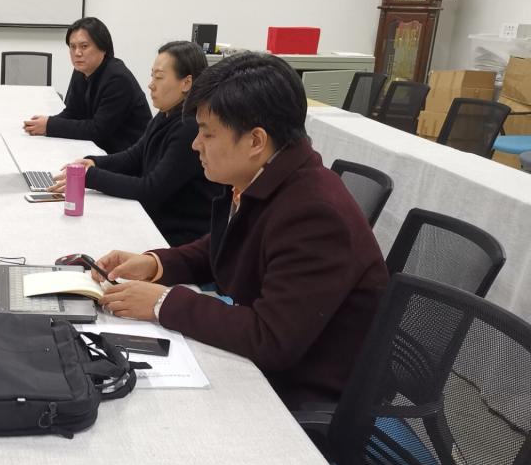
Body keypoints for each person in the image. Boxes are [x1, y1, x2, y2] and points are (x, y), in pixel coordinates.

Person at [93, 52, 389, 409]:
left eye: (208, 133)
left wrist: (162, 302)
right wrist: (155, 264)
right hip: (268, 365)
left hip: (304, 392)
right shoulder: (267, 177)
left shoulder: (315, 214)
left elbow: (271, 337)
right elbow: (224, 246)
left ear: (255, 141)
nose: (196, 144)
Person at [47, 41, 222, 246]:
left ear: (186, 83)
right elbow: (135, 156)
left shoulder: (189, 127)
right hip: (155, 222)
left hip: (176, 239)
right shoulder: (167, 114)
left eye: (159, 77)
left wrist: (92, 177)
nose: (151, 84)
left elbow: (151, 190)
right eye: (152, 76)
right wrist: (94, 163)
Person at [23, 17, 151, 155]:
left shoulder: (118, 78)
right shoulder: (81, 70)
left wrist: (50, 126)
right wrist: (46, 123)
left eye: (84, 46)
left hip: (128, 155)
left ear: (103, 48)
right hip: (100, 148)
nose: (77, 53)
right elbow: (73, 112)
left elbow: (98, 130)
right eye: (72, 47)